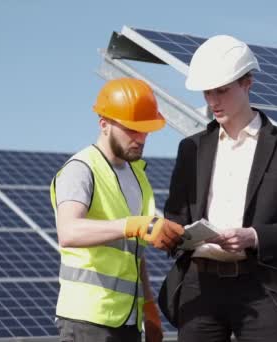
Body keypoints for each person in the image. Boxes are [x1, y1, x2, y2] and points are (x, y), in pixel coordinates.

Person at [164, 35, 277, 342]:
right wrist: (172, 234)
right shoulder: (190, 149)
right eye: (208, 92)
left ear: (247, 83)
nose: (213, 101)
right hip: (199, 288)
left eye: (222, 90)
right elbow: (176, 215)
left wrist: (254, 237)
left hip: (263, 289)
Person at [50, 77, 185, 342]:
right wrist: (133, 224)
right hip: (88, 318)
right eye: (132, 130)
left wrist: (147, 305)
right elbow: (69, 231)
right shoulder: (81, 169)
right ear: (105, 125)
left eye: (146, 130)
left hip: (127, 318)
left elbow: (134, 250)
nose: (141, 138)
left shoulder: (137, 176)